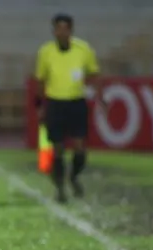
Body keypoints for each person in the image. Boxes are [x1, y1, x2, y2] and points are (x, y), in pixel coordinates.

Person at [34, 13, 105, 203]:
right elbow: (40, 80)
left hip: (76, 103)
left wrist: (101, 97)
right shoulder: (46, 52)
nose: (62, 33)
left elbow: (94, 74)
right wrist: (39, 106)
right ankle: (60, 188)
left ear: (71, 31)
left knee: (80, 147)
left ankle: (73, 176)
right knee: (58, 149)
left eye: (65, 29)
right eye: (58, 29)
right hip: (55, 103)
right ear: (53, 31)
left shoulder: (83, 49)